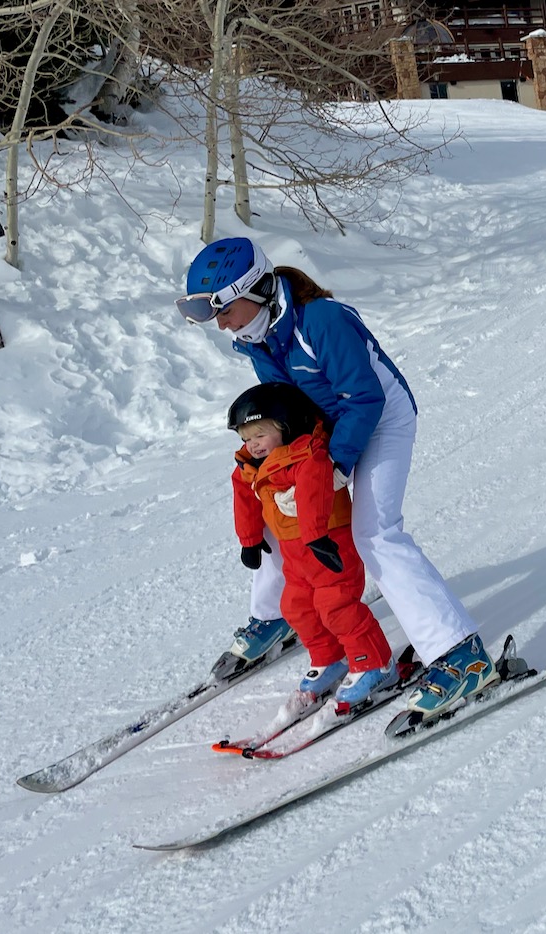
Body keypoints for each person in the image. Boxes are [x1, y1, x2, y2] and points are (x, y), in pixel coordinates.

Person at [176, 236, 499, 718]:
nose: (219, 323)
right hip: (328, 429)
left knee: (375, 533)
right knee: (273, 507)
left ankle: (460, 655)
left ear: (256, 289)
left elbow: (365, 399)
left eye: (221, 308)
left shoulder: (322, 321)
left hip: (382, 419)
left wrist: (334, 468)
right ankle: (277, 617)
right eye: (209, 312)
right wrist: (277, 467)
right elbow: (291, 410)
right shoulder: (256, 338)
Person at [227, 381, 396, 705]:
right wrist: (249, 540)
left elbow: (314, 491)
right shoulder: (252, 463)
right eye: (247, 438)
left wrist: (317, 535)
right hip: (296, 555)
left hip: (329, 544)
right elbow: (243, 495)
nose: (253, 445)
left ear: (284, 425)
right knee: (296, 607)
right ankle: (329, 658)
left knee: (337, 607)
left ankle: (375, 663)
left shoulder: (307, 454)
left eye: (260, 435)